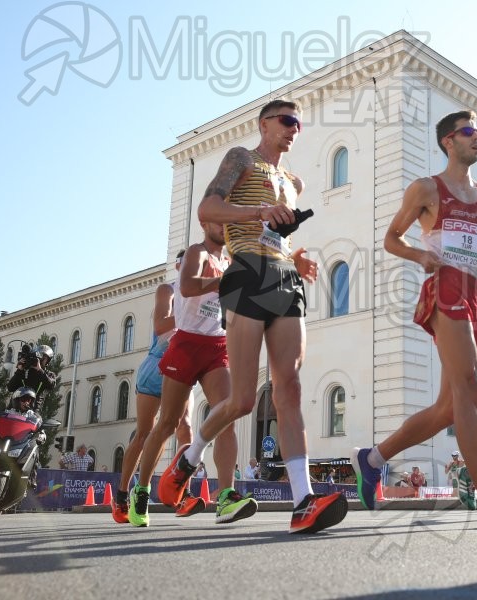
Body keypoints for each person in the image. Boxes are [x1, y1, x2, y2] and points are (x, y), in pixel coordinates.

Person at [159, 99, 347, 535]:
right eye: (286, 121)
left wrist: (297, 257)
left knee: (291, 385)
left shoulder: (294, 181)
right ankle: (188, 458)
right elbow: (208, 211)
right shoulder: (240, 159)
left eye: (298, 124)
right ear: (264, 124)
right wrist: (259, 211)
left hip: (283, 278)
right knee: (243, 399)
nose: (293, 129)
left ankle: (303, 501)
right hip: (245, 274)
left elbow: (276, 238)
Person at [352, 109, 477, 528]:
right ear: (448, 142)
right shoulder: (427, 188)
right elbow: (390, 237)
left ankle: (371, 460)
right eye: (469, 132)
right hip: (445, 288)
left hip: (475, 292)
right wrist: (418, 253)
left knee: (447, 408)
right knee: (470, 388)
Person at [129, 222, 250, 527]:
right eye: (218, 222)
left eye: (228, 224)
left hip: (217, 345)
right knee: (168, 423)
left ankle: (226, 497)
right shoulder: (197, 252)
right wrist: (221, 282)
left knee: (227, 418)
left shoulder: (231, 260)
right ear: (206, 224)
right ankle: (141, 492)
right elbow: (188, 288)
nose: (224, 228)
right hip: (186, 343)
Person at [112, 250, 204, 524]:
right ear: (178, 266)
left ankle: (182, 493)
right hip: (157, 366)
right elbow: (161, 326)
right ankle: (121, 496)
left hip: (183, 367)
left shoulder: (203, 296)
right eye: (188, 262)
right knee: (145, 433)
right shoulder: (169, 290)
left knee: (184, 426)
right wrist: (189, 313)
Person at [7, 344, 56, 412]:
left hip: (33, 413)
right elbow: (10, 387)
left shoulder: (49, 374)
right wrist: (19, 370)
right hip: (14, 410)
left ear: (48, 361)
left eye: (44, 358)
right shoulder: (25, 370)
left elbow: (51, 385)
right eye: (40, 356)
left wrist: (40, 370)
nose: (41, 359)